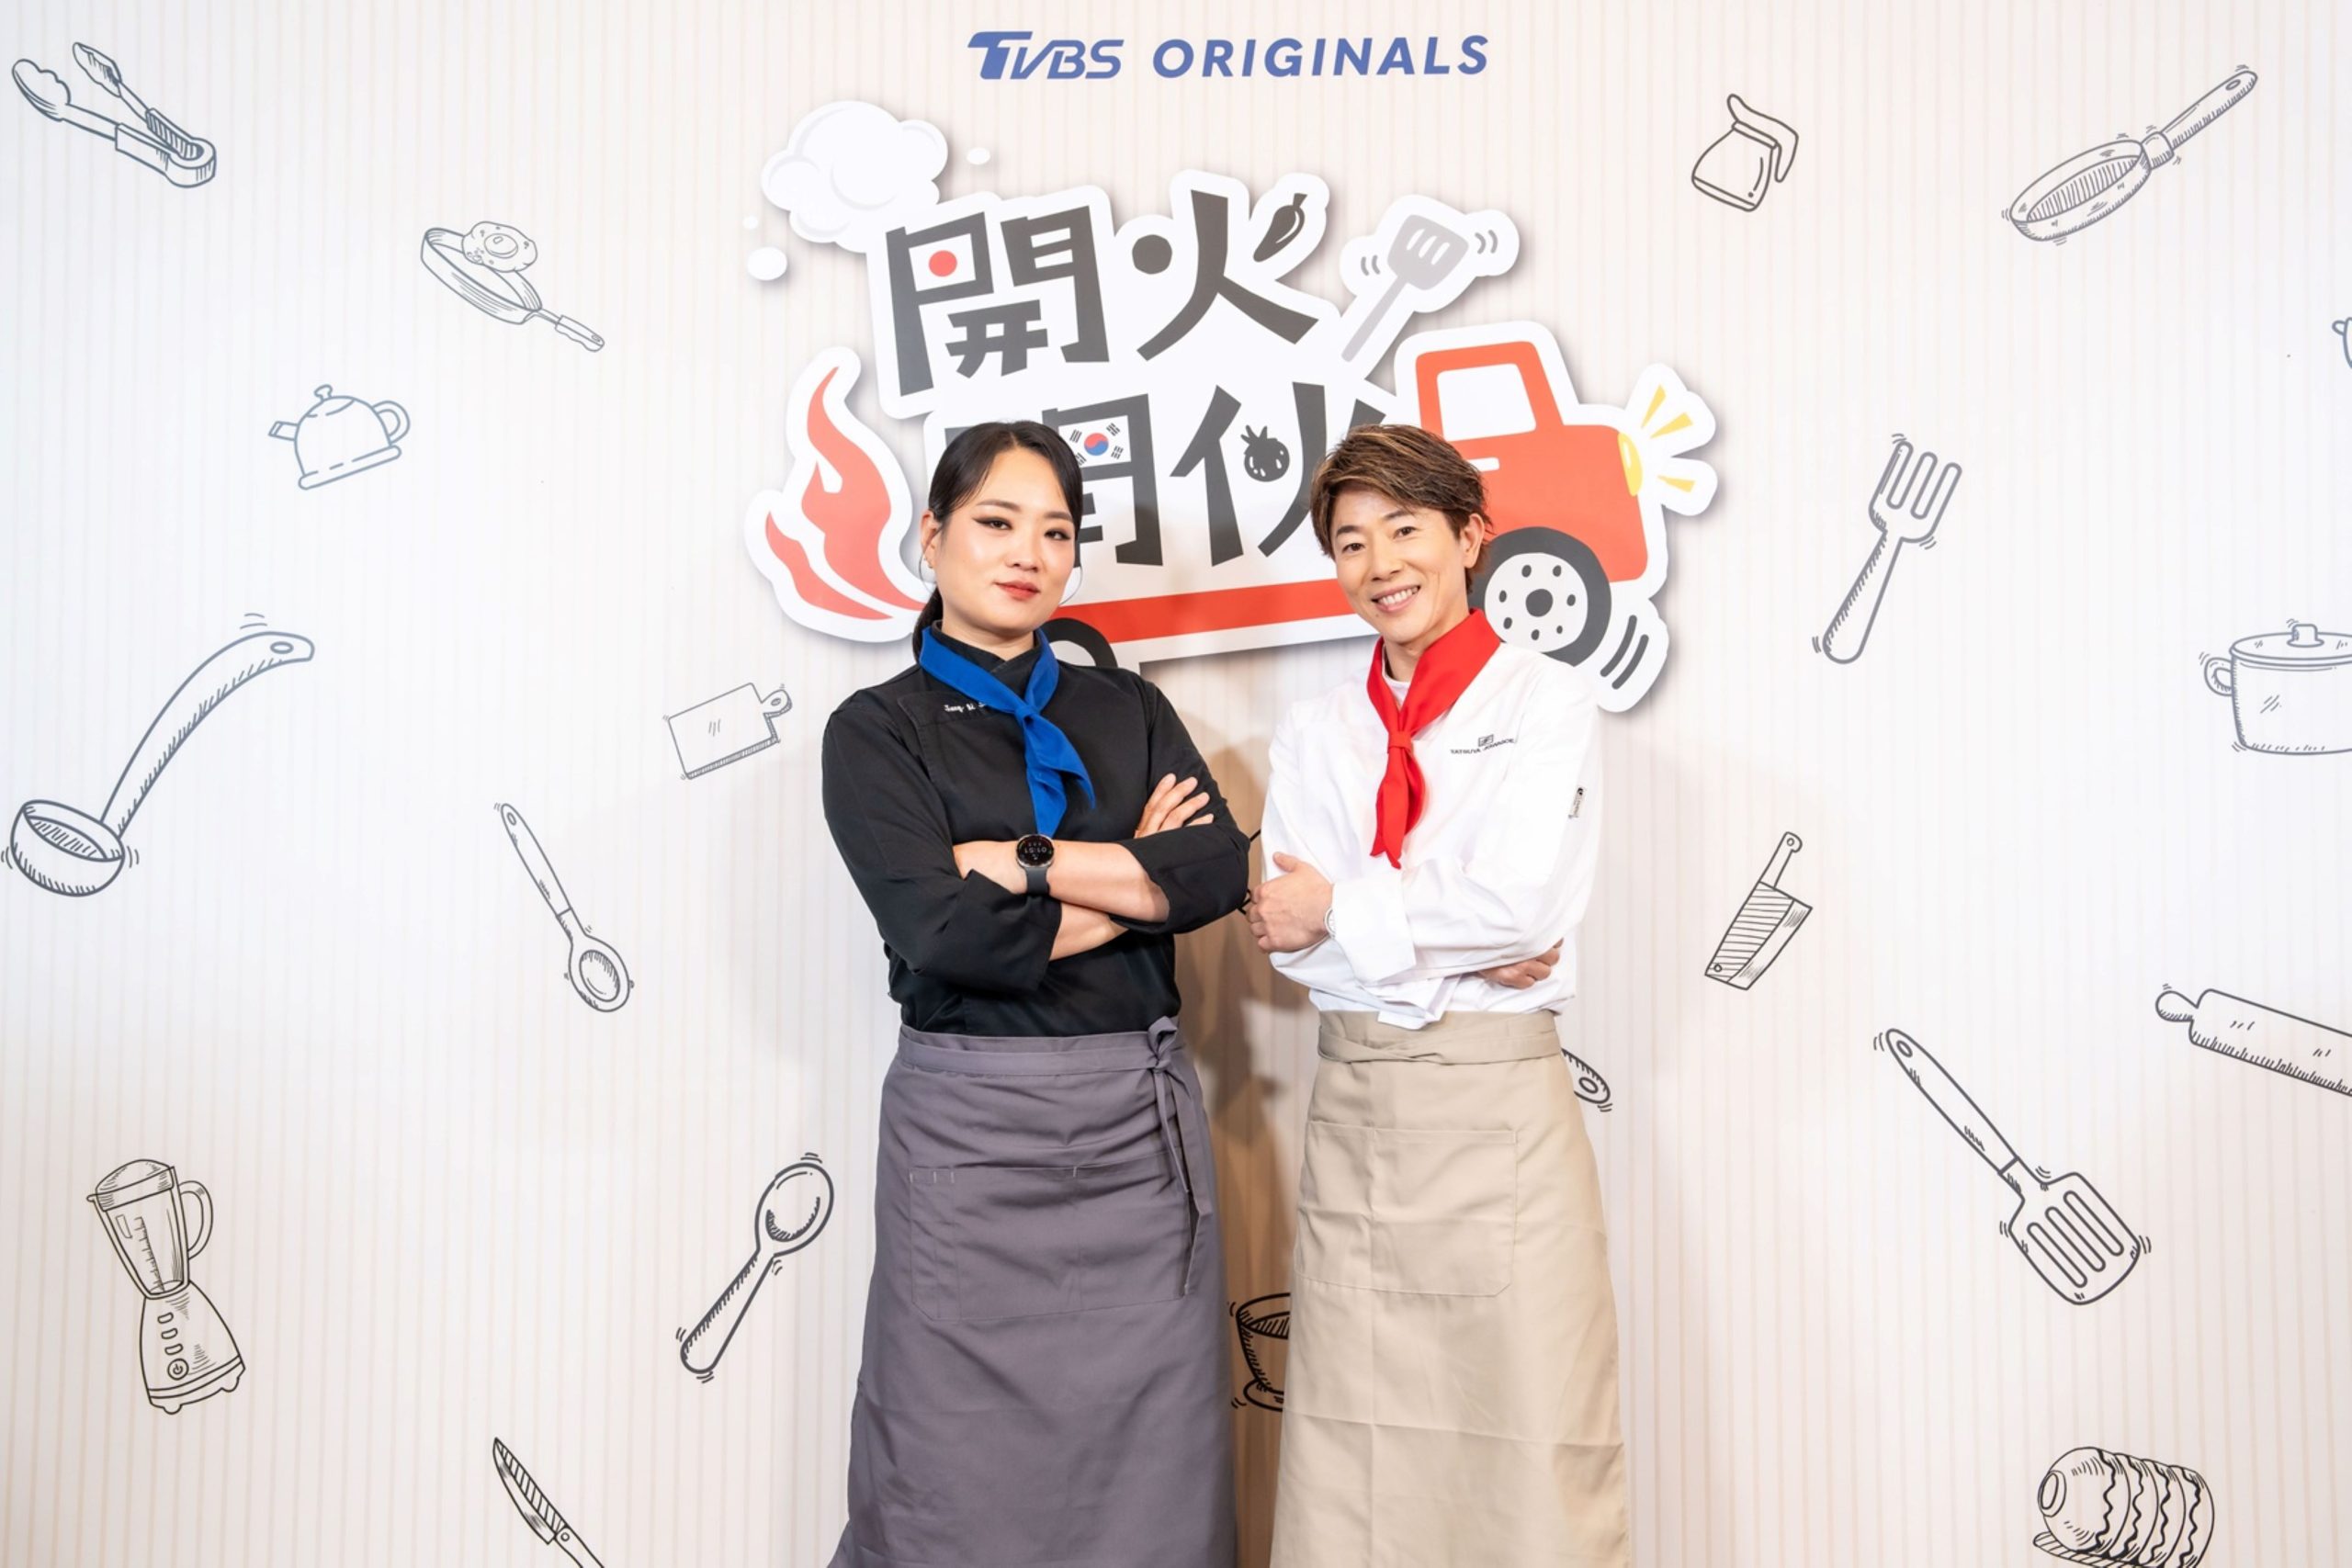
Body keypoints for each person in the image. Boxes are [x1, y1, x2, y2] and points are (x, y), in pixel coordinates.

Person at [820, 420, 1249, 1568]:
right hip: (967, 1133)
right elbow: (941, 933)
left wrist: (1023, 862)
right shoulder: (875, 732)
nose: (1027, 554)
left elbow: (1214, 872)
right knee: (941, 1454)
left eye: (1054, 532)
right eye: (996, 523)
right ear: (932, 537)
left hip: (1133, 1135)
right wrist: (1136, 883)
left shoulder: (1129, 709)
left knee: (1157, 1460)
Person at [1246, 423, 1630, 1567]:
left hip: (1498, 1103)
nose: (1379, 565)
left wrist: (1346, 911)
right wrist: (1441, 936)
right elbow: (1287, 940)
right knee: (1353, 1453)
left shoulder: (1548, 700)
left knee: (1532, 1428)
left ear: (1469, 535)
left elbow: (1520, 906)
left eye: (1403, 529)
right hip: (1358, 1107)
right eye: (1350, 542)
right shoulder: (1314, 731)